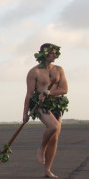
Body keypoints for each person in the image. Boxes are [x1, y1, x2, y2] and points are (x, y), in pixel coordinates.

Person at [23, 43, 69, 179]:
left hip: (56, 103)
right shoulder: (34, 72)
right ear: (44, 54)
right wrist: (24, 113)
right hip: (39, 104)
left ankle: (47, 170)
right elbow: (29, 93)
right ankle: (41, 148)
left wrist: (49, 93)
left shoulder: (59, 70)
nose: (55, 55)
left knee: (54, 138)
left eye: (56, 53)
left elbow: (64, 89)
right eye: (52, 53)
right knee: (54, 126)